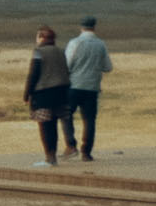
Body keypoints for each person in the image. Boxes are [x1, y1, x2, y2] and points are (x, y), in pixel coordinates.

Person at [61, 15, 114, 161]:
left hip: (74, 85)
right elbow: (108, 67)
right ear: (94, 27)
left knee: (66, 115)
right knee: (89, 120)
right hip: (92, 87)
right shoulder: (100, 44)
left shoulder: (75, 43)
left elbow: (67, 64)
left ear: (81, 27)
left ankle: (71, 145)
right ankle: (86, 152)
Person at [21, 25, 69, 167]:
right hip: (62, 93)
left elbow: (33, 74)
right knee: (54, 125)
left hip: (43, 95)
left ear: (41, 38)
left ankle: (49, 158)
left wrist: (26, 94)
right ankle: (52, 156)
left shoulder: (38, 52)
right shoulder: (61, 51)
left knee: (45, 126)